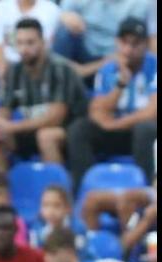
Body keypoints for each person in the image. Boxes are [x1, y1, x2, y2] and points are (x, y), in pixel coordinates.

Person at [65, 18, 157, 191]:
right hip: (114, 131)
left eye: (135, 43)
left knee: (146, 129)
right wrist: (120, 85)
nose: (129, 49)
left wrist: (115, 124)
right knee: (79, 129)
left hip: (141, 133)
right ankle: (83, 190)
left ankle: (147, 191)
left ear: (146, 44)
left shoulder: (155, 67)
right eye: (124, 43)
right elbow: (96, 111)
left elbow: (152, 112)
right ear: (116, 43)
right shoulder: (107, 70)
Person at [0, 18, 86, 168]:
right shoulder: (14, 71)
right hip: (32, 129)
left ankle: (57, 188)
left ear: (43, 42)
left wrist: (12, 127)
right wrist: (0, 125)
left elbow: (56, 117)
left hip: (71, 132)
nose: (24, 49)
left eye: (30, 43)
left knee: (46, 136)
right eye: (19, 43)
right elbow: (4, 109)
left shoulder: (61, 69)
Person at [0, 0, 61, 107]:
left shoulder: (51, 9)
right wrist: (4, 74)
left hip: (36, 66)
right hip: (7, 65)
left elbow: (44, 48)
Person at [53, 0, 152, 77]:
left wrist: (84, 70)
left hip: (117, 56)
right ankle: (58, 81)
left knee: (132, 45)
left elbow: (135, 39)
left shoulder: (139, 3)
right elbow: (55, 13)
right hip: (84, 50)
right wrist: (63, 15)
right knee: (63, 31)